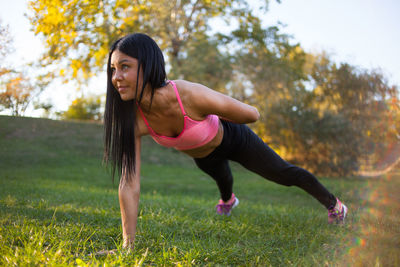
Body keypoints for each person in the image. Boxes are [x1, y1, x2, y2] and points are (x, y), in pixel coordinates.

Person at [103, 33, 348, 249]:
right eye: (113, 70)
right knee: (223, 180)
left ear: (148, 65)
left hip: (233, 138)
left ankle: (334, 205)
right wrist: (128, 245)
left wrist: (213, 109)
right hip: (203, 156)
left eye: (125, 67)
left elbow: (252, 114)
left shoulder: (188, 94)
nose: (117, 77)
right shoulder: (133, 120)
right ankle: (229, 201)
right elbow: (129, 182)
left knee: (284, 174)